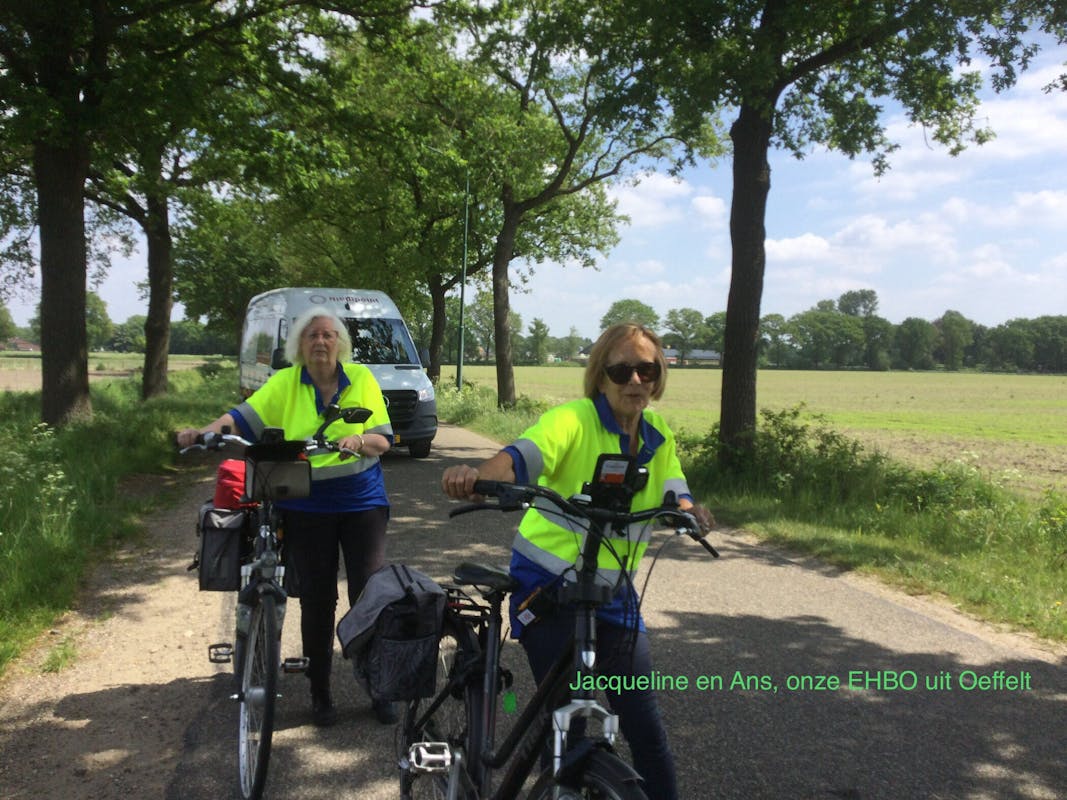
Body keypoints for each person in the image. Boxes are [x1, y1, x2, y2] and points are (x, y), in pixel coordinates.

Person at [441, 322, 713, 800]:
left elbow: (675, 487)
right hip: (548, 589)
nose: (635, 380)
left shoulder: (658, 434)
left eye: (646, 370)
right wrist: (479, 477)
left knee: (645, 727)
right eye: (622, 370)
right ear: (601, 376)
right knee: (567, 726)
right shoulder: (572, 419)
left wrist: (690, 512)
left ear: (658, 376)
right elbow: (523, 455)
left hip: (614, 595)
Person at [177, 307, 396, 727]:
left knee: (368, 595)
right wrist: (203, 432)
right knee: (317, 599)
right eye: (312, 335)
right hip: (306, 505)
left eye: (328, 335)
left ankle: (378, 685)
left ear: (340, 343)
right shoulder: (285, 383)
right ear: (299, 345)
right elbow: (240, 418)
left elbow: (383, 440)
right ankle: (320, 690)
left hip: (361, 501)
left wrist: (358, 440)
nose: (321, 341)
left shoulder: (362, 379)